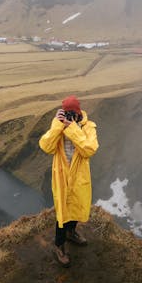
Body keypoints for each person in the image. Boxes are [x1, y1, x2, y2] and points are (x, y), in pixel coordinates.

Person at [39, 95, 99, 267]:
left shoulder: (88, 127)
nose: (70, 116)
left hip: (79, 175)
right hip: (62, 176)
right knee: (62, 213)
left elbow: (89, 149)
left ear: (79, 112)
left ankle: (71, 232)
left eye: (73, 113)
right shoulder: (58, 124)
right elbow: (46, 146)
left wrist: (72, 128)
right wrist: (58, 126)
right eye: (67, 113)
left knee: (77, 205)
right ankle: (59, 246)